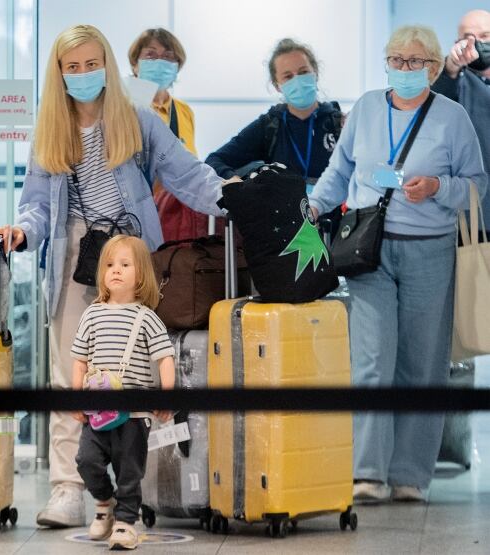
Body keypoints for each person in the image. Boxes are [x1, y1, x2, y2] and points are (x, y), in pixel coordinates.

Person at [0, 24, 224, 528]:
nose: (82, 74)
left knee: (140, 364)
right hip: (75, 249)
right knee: (70, 370)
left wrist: (233, 197)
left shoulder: (137, 120)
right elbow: (33, 206)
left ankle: (143, 488)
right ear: (58, 73)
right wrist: (21, 233)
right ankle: (69, 489)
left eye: (91, 64)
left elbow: (187, 173)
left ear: (108, 66)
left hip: (130, 249)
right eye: (71, 67)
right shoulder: (50, 128)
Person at [308, 25, 487, 503]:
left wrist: (437, 188)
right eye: (397, 60)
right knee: (370, 362)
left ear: (433, 67)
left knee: (421, 365)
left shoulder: (452, 118)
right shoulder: (366, 108)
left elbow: (476, 186)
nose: (405, 70)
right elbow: (340, 170)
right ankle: (367, 472)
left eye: (416, 62)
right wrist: (314, 206)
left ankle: (410, 474)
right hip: (369, 249)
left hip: (431, 250)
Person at [72, 235, 175, 550]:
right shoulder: (91, 314)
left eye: (125, 265)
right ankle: (105, 503)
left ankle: (127, 521)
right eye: (109, 265)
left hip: (134, 414)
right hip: (98, 410)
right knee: (86, 459)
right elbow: (79, 359)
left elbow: (165, 359)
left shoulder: (147, 318)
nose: (115, 270)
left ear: (141, 274)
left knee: (129, 469)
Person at [206, 38, 344, 238]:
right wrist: (238, 182)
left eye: (303, 72)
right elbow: (215, 160)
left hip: (335, 231)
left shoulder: (339, 124)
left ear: (315, 72)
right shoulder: (270, 125)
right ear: (277, 85)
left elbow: (366, 173)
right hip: (285, 233)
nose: (297, 80)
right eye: (288, 76)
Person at [127, 28, 208, 241]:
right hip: (132, 214)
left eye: (168, 56)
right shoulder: (123, 108)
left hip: (174, 217)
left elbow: (189, 161)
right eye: (150, 54)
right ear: (135, 64)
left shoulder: (184, 111)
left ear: (177, 67)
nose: (159, 61)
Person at [431, 9, 490, 226]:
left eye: (485, 36)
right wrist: (452, 66)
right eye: (468, 39)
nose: (477, 44)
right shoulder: (455, 82)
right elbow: (434, 108)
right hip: (476, 215)